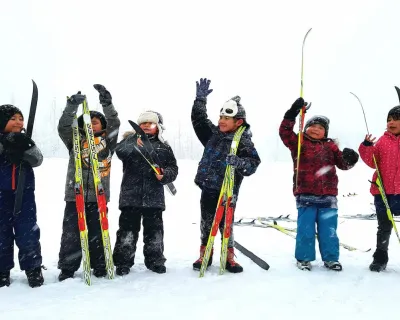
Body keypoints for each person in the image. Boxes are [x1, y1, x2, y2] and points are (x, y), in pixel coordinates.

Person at [279, 97, 359, 271]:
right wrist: (292, 112)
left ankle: (331, 259)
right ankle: (304, 258)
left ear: (326, 132)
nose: (315, 129)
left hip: (328, 197)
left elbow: (343, 165)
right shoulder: (299, 143)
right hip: (305, 194)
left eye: (320, 127)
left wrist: (350, 159)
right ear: (306, 128)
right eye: (312, 126)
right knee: (305, 231)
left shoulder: (331, 147)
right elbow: (284, 132)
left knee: (328, 232)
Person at [191, 78, 261, 273]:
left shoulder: (243, 141)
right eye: (220, 117)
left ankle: (228, 255)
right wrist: (200, 100)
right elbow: (199, 120)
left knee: (226, 223)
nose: (221, 121)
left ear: (238, 121)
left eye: (226, 118)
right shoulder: (212, 135)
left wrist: (239, 162)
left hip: (228, 190)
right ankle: (205, 253)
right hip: (208, 186)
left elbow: (253, 164)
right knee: (206, 221)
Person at [57, 84, 120, 281]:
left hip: (98, 196)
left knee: (98, 233)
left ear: (102, 126)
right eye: (88, 122)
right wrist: (70, 107)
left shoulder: (108, 142)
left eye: (96, 122)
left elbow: (114, 122)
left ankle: (99, 264)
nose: (92, 125)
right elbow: (64, 127)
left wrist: (107, 103)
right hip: (74, 195)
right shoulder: (74, 141)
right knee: (71, 234)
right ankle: (68, 267)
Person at [112, 110, 178, 275]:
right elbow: (119, 152)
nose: (147, 126)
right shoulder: (129, 141)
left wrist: (165, 175)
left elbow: (173, 168)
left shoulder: (164, 146)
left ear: (158, 127)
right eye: (143, 124)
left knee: (154, 232)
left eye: (151, 123)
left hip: (154, 198)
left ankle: (155, 260)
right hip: (130, 196)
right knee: (127, 231)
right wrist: (133, 142)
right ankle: (123, 262)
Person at [0, 104, 44, 287]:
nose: (18, 122)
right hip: (1, 195)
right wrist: (6, 145)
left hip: (24, 194)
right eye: (13, 119)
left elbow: (38, 159)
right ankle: (2, 271)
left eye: (20, 118)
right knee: (1, 233)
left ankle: (33, 268)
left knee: (27, 232)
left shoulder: (26, 139)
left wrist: (26, 147)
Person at [359, 105, 400, 272]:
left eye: (396, 119)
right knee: (384, 225)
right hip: (383, 191)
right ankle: (380, 257)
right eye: (388, 119)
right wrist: (367, 146)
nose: (391, 122)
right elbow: (371, 161)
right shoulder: (383, 141)